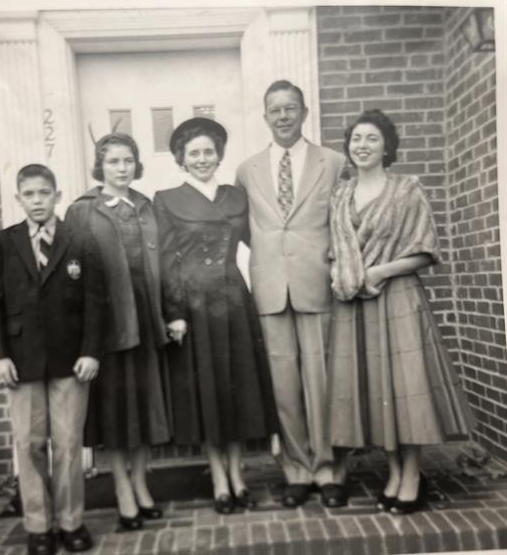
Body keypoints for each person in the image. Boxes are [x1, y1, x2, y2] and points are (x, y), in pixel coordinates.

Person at [326, 109, 473, 514]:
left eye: (372, 138)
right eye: (356, 138)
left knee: (406, 391)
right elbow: (334, 251)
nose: (363, 145)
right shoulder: (340, 195)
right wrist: (345, 272)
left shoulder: (407, 189)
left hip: (398, 297)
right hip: (354, 305)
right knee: (378, 391)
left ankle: (411, 475)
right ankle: (393, 471)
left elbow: (426, 251)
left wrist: (379, 270)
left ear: (387, 146)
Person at [154, 117, 279, 515]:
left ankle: (238, 475)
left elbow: (263, 242)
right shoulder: (167, 199)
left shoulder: (235, 197)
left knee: (236, 389)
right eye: (194, 153)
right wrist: (173, 312)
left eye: (209, 151)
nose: (203, 159)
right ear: (181, 159)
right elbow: (164, 262)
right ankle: (219, 480)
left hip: (233, 299)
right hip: (194, 306)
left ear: (219, 155)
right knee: (208, 391)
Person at [235, 80, 349, 508]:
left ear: (304, 112)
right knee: (284, 386)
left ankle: (330, 470)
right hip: (270, 287)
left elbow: (344, 221)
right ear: (265, 116)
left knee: (322, 382)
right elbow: (247, 229)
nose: (283, 116)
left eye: (290, 108)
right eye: (274, 110)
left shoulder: (334, 163)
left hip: (318, 283)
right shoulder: (247, 170)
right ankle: (297, 471)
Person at [0, 164, 104, 555]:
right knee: (30, 443)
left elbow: (95, 303)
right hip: (21, 361)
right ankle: (38, 525)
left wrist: (90, 350)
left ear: (57, 195)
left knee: (68, 444)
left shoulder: (79, 240)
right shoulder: (4, 243)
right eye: (29, 194)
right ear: (19, 199)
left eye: (44, 193)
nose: (37, 201)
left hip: (71, 360)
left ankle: (71, 522)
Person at [64, 133, 170, 530]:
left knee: (146, 409)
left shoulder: (146, 206)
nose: (122, 168)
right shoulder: (82, 210)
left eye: (128, 161)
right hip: (107, 325)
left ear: (137, 164)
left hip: (146, 318)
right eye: (113, 162)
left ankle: (142, 484)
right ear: (100, 166)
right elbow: (72, 276)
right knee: (116, 412)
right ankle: (122, 489)